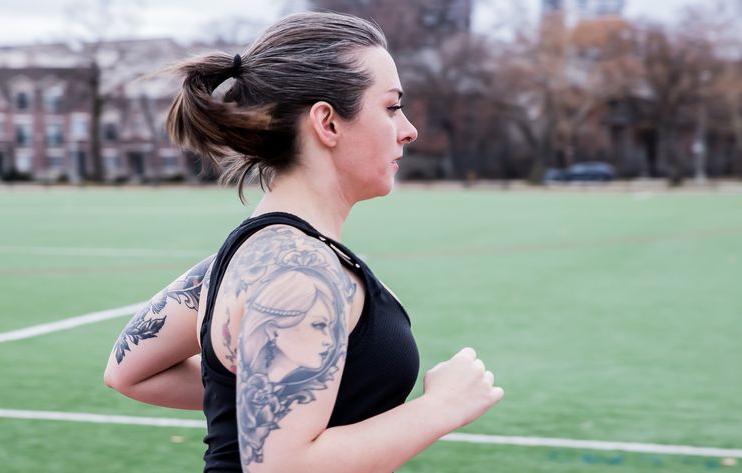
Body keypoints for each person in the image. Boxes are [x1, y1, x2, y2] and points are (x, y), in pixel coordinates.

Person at [104, 11, 503, 472]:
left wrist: (269, 397)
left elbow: (128, 369)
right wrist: (442, 408)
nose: (408, 129)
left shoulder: (255, 254)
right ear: (327, 124)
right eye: (391, 107)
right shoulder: (296, 272)